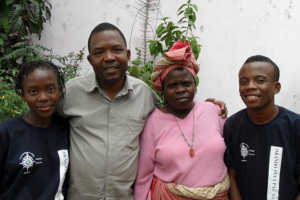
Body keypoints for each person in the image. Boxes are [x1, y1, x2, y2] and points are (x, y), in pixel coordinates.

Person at [61, 22, 227, 200]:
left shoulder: (145, 95)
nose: (109, 57)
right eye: (99, 52)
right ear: (90, 60)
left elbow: (175, 113)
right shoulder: (70, 93)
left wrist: (212, 108)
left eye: (116, 50)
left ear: (128, 54)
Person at [134, 40, 229, 200]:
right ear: (163, 90)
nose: (180, 90)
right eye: (172, 85)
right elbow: (144, 176)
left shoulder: (213, 111)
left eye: (186, 84)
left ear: (195, 86)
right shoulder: (153, 122)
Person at [224, 55, 300, 200]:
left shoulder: (295, 126)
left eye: (260, 80)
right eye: (243, 81)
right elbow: (232, 177)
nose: (250, 86)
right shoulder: (232, 126)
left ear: (276, 88)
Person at [0, 61, 69, 199]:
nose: (43, 98)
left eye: (50, 89)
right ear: (22, 94)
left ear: (59, 90)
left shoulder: (66, 131)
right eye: (33, 91)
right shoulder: (7, 133)